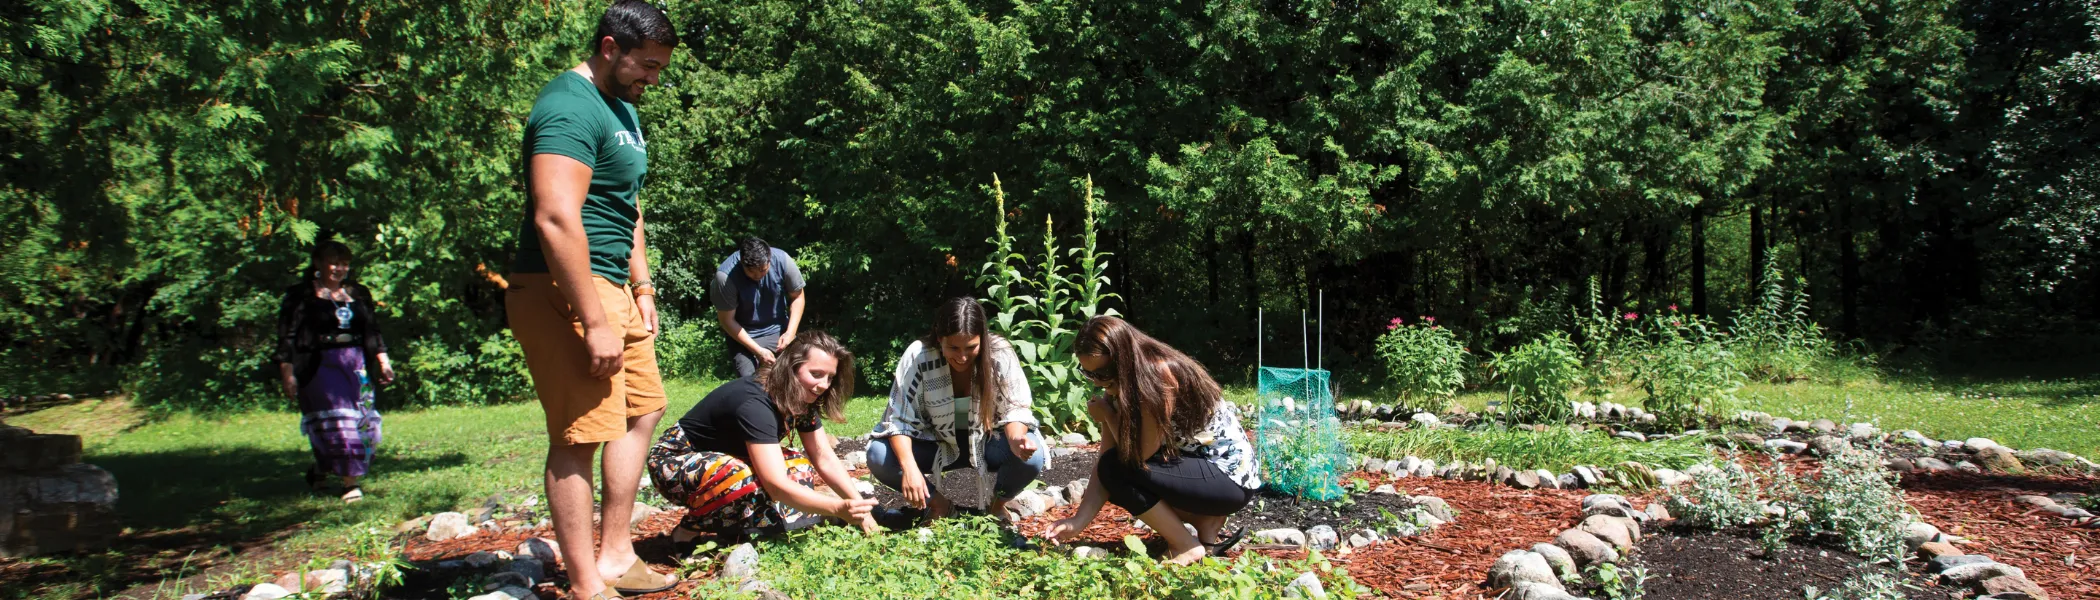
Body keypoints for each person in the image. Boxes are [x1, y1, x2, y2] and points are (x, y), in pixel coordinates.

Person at [502, 2, 680, 597]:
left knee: (644, 408)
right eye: (646, 65)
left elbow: (627, 204)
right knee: (579, 436)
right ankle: (586, 584)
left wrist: (643, 284)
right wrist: (592, 316)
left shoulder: (621, 105)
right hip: (563, 288)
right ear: (610, 47)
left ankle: (615, 554)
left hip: (613, 284)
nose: (653, 78)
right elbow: (554, 217)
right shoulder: (567, 106)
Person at [1044, 316, 1260, 565]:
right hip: (1199, 467)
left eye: (1102, 372)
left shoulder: (1157, 375)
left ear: (1122, 359)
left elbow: (1139, 456)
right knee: (1111, 471)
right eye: (1088, 373)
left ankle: (1185, 545)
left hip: (1228, 478)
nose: (1097, 381)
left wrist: (1108, 417)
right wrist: (1077, 522)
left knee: (1118, 470)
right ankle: (1204, 521)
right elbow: (1106, 457)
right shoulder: (1118, 383)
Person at [649, 331, 878, 541]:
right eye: (816, 374)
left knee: (798, 467)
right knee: (737, 476)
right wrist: (837, 509)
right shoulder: (756, 403)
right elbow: (776, 485)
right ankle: (687, 532)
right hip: (672, 462)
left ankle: (740, 527)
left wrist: (860, 507)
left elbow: (823, 456)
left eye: (830, 378)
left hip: (722, 459)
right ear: (791, 367)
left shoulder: (801, 399)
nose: (823, 385)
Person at [868, 297, 1046, 523]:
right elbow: (899, 419)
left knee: (1033, 457)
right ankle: (939, 505)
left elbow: (1015, 408)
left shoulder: (999, 353)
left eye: (971, 347)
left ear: (983, 339)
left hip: (986, 442)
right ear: (940, 338)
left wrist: (1016, 439)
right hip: (932, 443)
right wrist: (909, 467)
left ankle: (996, 506)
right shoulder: (918, 355)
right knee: (879, 455)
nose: (962, 357)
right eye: (953, 347)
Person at [274, 240, 393, 504]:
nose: (339, 268)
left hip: (355, 363)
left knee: (365, 423)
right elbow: (288, 337)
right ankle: (350, 484)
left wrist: (383, 361)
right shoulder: (300, 296)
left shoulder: (358, 293)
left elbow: (372, 331)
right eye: (333, 262)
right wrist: (287, 373)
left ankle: (321, 469)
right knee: (340, 423)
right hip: (319, 365)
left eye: (344, 263)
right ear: (317, 263)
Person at [709, 237, 806, 377]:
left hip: (778, 330)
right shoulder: (724, 278)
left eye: (762, 270)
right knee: (750, 383)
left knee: (798, 373)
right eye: (752, 272)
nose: (758, 275)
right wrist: (758, 351)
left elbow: (798, 297)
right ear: (742, 263)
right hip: (744, 335)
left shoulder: (783, 261)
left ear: (769, 260)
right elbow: (727, 321)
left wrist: (790, 333)